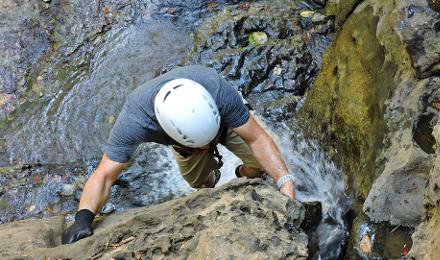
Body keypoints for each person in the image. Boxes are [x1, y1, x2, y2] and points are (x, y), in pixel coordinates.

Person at [61, 65, 296, 244]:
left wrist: (285, 184)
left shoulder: (218, 90)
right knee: (199, 184)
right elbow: (105, 175)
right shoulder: (135, 120)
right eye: (201, 146)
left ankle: (244, 173)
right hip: (188, 143)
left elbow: (257, 138)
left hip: (226, 122)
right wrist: (83, 218)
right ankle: (203, 163)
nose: (208, 147)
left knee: (261, 167)